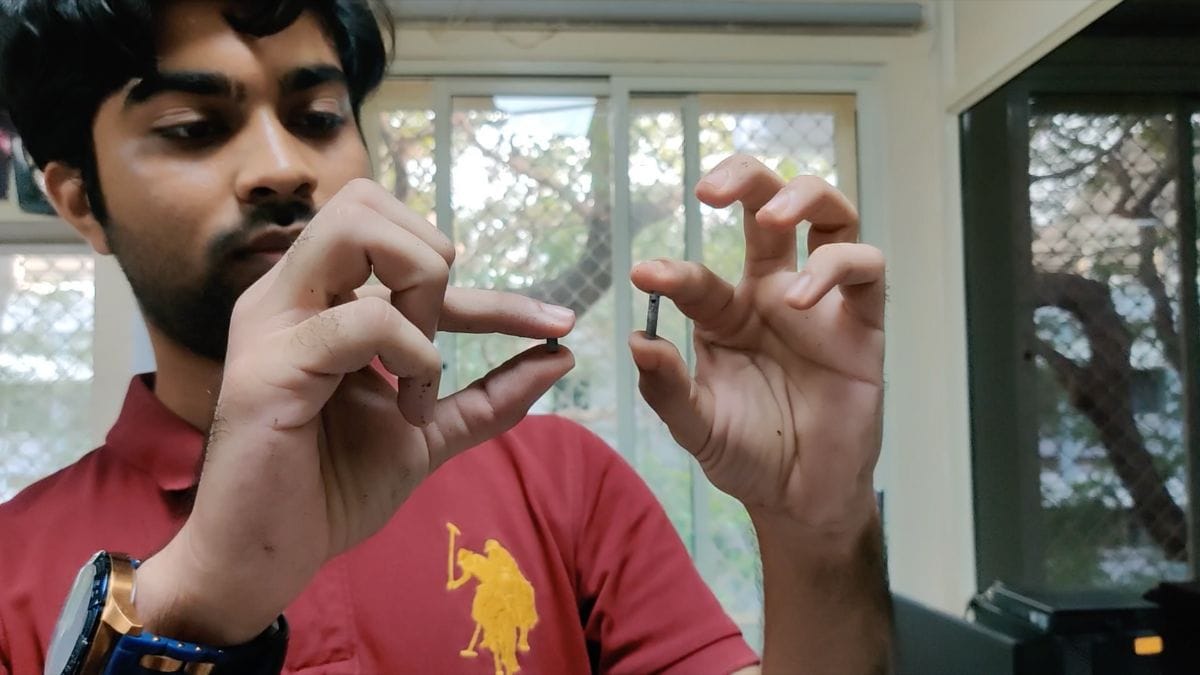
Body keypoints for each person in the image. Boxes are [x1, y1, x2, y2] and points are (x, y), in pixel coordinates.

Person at [0, 1, 891, 673]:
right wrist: (192, 602)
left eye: (317, 117)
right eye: (193, 128)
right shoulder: (13, 571)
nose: (281, 166)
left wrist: (820, 531)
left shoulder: (561, 482)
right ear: (79, 199)